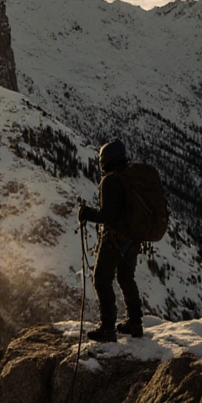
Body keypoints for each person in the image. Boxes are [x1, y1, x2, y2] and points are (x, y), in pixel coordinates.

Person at [77, 139, 143, 341]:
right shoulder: (132, 177)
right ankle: (135, 323)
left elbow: (107, 216)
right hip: (133, 239)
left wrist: (87, 213)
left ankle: (107, 328)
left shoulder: (110, 181)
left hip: (114, 240)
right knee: (126, 278)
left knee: (102, 280)